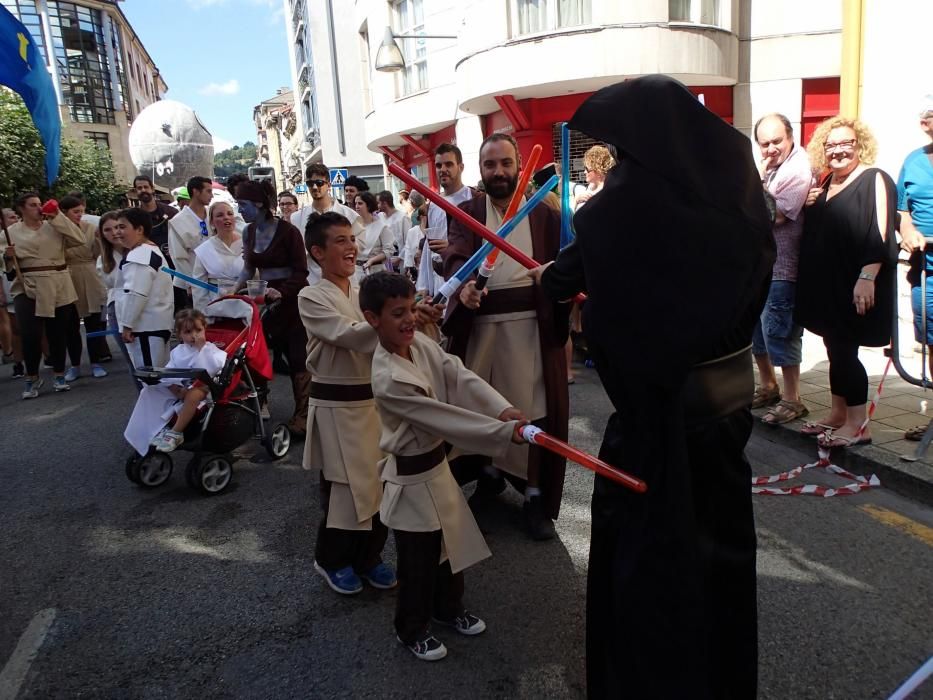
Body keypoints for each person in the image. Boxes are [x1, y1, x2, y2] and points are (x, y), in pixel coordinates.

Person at [529, 75, 775, 698]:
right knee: (719, 559)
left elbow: (560, 286)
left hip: (652, 427)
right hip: (727, 421)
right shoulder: (742, 200)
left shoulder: (617, 212)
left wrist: (555, 286)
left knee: (650, 574)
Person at [360, 271, 527, 662]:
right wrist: (504, 433)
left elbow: (457, 373)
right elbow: (443, 418)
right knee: (417, 560)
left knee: (450, 547)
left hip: (437, 470)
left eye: (411, 309)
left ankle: (447, 609)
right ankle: (410, 629)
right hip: (411, 478)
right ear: (372, 319)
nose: (409, 320)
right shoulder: (388, 377)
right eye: (397, 313)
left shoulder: (418, 343)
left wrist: (500, 406)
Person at [442, 133, 569, 541]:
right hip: (480, 326)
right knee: (482, 409)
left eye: (505, 164)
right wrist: (463, 285)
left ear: (519, 167)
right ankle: (489, 474)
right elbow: (457, 255)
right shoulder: (468, 211)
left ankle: (533, 493)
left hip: (529, 330)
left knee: (531, 412)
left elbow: (563, 265)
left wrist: (553, 278)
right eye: (490, 165)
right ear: (480, 169)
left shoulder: (546, 213)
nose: (498, 172)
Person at [298, 211, 395, 595]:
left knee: (383, 483)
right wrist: (393, 322)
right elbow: (349, 335)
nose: (351, 246)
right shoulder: (310, 296)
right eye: (340, 241)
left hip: (372, 402)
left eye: (352, 238)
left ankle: (369, 558)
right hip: (336, 406)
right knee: (344, 489)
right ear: (318, 252)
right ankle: (331, 559)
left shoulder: (363, 289)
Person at [795, 116, 898, 447]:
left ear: (860, 145)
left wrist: (867, 277)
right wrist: (809, 202)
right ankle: (837, 414)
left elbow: (880, 234)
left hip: (854, 284)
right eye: (832, 144)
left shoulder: (874, 178)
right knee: (834, 347)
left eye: (846, 143)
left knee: (845, 350)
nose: (838, 150)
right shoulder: (824, 183)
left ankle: (858, 425)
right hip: (827, 287)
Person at [751, 113, 814, 425]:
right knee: (758, 334)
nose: (771, 148)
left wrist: (757, 183)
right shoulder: (772, 168)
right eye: (764, 143)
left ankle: (793, 399)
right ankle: (768, 385)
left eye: (777, 141)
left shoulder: (798, 168)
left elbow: (773, 216)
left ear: (791, 136)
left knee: (780, 332)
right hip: (761, 267)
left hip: (783, 267)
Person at [235, 180, 310, 436]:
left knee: (298, 357)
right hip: (264, 300)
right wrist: (233, 292)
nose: (239, 209)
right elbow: (248, 269)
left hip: (292, 300)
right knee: (257, 353)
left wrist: (284, 291)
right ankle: (260, 403)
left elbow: (302, 271)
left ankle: (303, 414)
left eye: (242, 204)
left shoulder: (289, 232)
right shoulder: (248, 231)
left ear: (258, 204)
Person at [3, 193, 85, 398]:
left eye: (40, 204)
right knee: (29, 334)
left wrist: (57, 216)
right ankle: (31, 377)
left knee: (57, 332)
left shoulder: (55, 225)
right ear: (21, 208)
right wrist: (6, 256)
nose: (38, 208)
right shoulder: (9, 232)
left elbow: (78, 239)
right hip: (27, 283)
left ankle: (58, 373)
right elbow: (3, 260)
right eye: (33, 205)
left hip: (58, 280)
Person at [124, 308, 228, 455]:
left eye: (198, 330)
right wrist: (175, 387)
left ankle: (176, 432)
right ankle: (146, 430)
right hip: (181, 389)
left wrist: (201, 349)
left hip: (205, 389)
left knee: (194, 394)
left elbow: (214, 368)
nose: (194, 336)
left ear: (205, 328)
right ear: (179, 334)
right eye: (188, 332)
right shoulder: (178, 351)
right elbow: (169, 371)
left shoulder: (211, 349)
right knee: (149, 391)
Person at [897, 97, 933, 441]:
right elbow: (903, 212)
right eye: (927, 116)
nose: (928, 121)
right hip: (926, 274)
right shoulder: (913, 161)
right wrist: (907, 231)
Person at [115, 207, 175, 370]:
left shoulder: (140, 255)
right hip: (155, 326)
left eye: (122, 227)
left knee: (151, 380)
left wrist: (127, 324)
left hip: (145, 329)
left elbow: (135, 293)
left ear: (139, 229)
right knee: (159, 379)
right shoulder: (149, 251)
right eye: (117, 227)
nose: (117, 232)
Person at [57, 194, 110, 381]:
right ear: (64, 213)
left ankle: (96, 361)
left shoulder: (90, 228)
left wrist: (99, 241)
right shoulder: (56, 231)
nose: (80, 215)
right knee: (71, 325)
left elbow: (99, 253)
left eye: (81, 211)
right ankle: (75, 364)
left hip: (89, 273)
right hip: (67, 275)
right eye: (75, 211)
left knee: (93, 322)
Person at [420, 143, 477, 297]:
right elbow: (428, 245)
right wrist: (424, 286)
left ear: (461, 167)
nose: (442, 169)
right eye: (438, 165)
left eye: (449, 164)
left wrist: (452, 247)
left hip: (465, 280)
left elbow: (480, 243)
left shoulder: (474, 199)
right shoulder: (433, 203)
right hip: (439, 280)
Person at [291, 164, 362, 286]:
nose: (314, 187)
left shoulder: (350, 215)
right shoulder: (296, 218)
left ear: (328, 185)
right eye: (310, 183)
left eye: (319, 183)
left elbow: (358, 249)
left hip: (345, 281)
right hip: (312, 281)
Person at [133, 175, 184, 313]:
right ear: (135, 191)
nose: (143, 190)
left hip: (173, 267)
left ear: (152, 189)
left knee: (179, 306)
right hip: (148, 268)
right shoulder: (133, 217)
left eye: (146, 187)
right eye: (139, 188)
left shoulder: (171, 212)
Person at [96, 211, 135, 377]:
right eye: (107, 230)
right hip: (117, 307)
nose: (114, 233)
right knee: (131, 360)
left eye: (118, 227)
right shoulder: (103, 259)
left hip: (141, 305)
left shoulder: (139, 251)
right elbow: (112, 283)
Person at [191, 201, 244, 311]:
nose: (226, 218)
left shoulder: (247, 244)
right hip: (216, 306)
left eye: (230, 214)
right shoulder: (205, 249)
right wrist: (204, 314)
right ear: (212, 222)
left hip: (245, 303)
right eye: (220, 215)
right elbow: (199, 286)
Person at [168, 175, 213, 302]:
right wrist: (192, 283)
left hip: (214, 278)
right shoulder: (178, 221)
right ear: (196, 192)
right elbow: (178, 257)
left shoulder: (213, 214)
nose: (212, 196)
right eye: (208, 191)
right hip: (192, 282)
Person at [1, 206, 25, 378]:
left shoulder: (24, 233)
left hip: (30, 281)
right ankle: (18, 361)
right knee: (15, 327)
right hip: (8, 283)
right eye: (10, 217)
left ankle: (49, 356)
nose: (15, 219)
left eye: (16, 216)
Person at [354, 192, 393, 277]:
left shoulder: (381, 226)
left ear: (369, 205)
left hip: (376, 271)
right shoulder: (352, 226)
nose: (357, 206)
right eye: (355, 203)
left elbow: (389, 251)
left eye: (360, 203)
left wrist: (372, 260)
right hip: (356, 271)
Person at [573, 146, 614, 210]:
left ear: (598, 170)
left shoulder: (608, 193)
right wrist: (576, 200)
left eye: (587, 169)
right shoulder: (589, 188)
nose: (584, 172)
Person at [376, 190, 407, 271]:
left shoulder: (403, 217)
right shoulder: (379, 217)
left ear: (385, 203)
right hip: (383, 259)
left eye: (378, 203)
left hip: (398, 259)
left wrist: (400, 258)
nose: (377, 206)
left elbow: (408, 241)